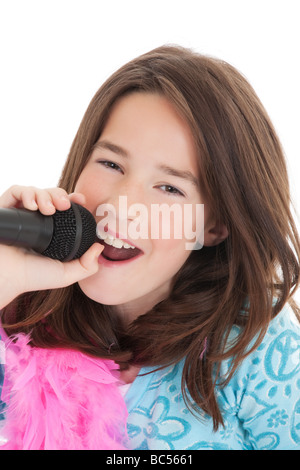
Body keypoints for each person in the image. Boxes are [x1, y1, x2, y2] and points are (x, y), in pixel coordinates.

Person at [0, 45, 300, 450]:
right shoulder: (18, 324)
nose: (122, 207)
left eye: (169, 187)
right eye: (111, 164)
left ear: (216, 227)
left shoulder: (262, 356)